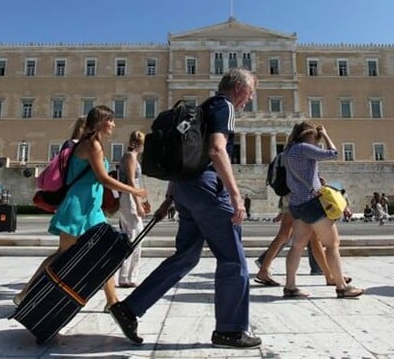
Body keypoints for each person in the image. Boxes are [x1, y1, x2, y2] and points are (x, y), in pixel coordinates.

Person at [108, 68, 261, 348]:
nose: (248, 100)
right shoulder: (225, 106)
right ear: (238, 88)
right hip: (206, 189)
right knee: (232, 258)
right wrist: (236, 195)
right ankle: (231, 330)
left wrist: (171, 196)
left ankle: (129, 308)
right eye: (250, 93)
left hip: (185, 190)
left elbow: (185, 155)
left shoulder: (204, 107)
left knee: (186, 257)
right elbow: (216, 150)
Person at [13, 106, 148, 308]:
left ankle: (112, 302)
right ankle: (26, 292)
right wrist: (134, 191)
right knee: (62, 253)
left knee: (103, 252)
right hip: (78, 206)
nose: (113, 124)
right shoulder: (92, 145)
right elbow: (103, 178)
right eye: (110, 120)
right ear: (102, 122)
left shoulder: (91, 143)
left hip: (90, 207)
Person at [283, 121, 364, 299]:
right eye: (315, 138)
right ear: (308, 134)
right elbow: (333, 153)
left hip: (296, 204)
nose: (316, 142)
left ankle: (290, 286)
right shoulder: (304, 148)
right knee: (332, 244)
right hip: (312, 203)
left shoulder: (287, 151)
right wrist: (326, 135)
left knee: (296, 246)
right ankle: (342, 287)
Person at [117, 130, 150, 289]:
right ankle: (125, 277)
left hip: (132, 195)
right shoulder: (130, 156)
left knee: (136, 236)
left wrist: (142, 201)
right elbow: (130, 181)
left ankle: (129, 276)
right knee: (133, 236)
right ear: (140, 143)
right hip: (129, 197)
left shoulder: (134, 156)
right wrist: (137, 204)